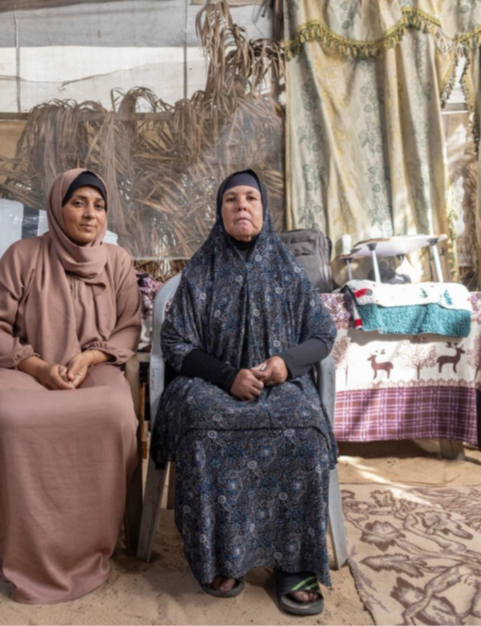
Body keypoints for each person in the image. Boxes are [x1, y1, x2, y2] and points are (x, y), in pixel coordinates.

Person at [150, 170, 338, 616]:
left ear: (263, 209)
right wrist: (226, 375)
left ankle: (294, 563)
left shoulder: (288, 269)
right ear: (220, 213)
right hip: (210, 384)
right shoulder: (201, 268)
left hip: (280, 383)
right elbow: (175, 343)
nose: (241, 206)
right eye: (231, 199)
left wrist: (283, 365)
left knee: (305, 430)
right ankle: (222, 558)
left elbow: (323, 334)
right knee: (204, 427)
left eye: (250, 198)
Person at [0, 169, 141, 604]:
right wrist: (38, 366)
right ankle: (23, 544)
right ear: (57, 208)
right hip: (22, 368)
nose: (90, 214)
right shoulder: (22, 255)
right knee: (6, 417)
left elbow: (128, 329)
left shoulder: (117, 261)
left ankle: (87, 541)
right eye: (78, 202)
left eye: (99, 206)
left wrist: (89, 357)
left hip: (90, 368)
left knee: (116, 415)